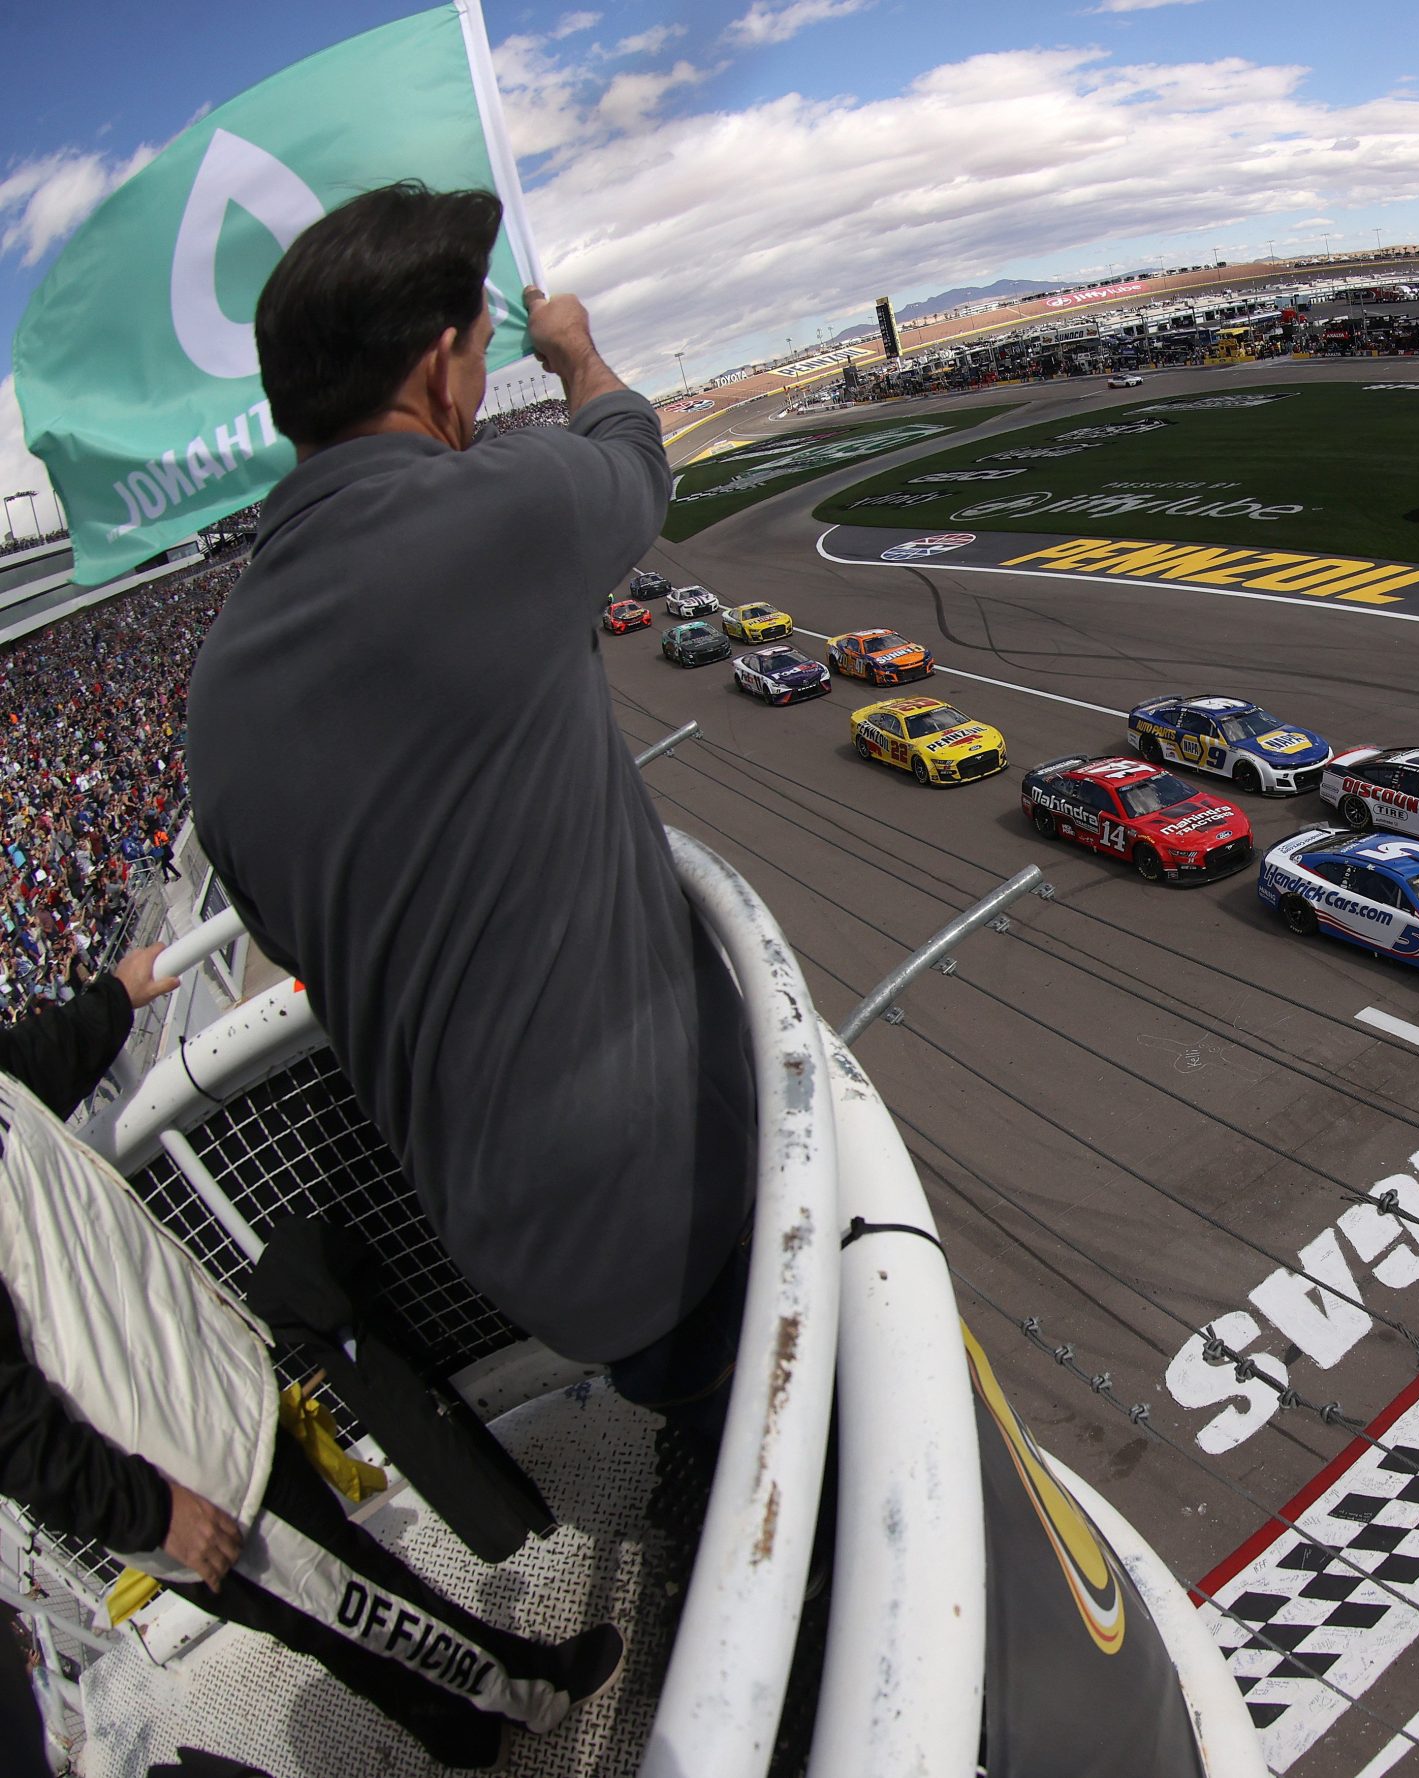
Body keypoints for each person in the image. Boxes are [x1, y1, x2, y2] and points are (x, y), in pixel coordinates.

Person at [186, 184, 756, 1427]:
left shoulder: (213, 692)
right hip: (682, 1201)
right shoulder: (494, 508)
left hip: (506, 1251)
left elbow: (292, 937)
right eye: (483, 350)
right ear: (439, 368)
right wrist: (577, 353)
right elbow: (634, 459)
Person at [0, 947, 620, 1769]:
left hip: (200, 1406)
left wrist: (117, 993)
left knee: (335, 1608)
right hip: (179, 1474)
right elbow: (15, 1437)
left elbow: (31, 1067)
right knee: (355, 1598)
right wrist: (155, 1514)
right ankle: (528, 1688)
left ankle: (459, 1731)